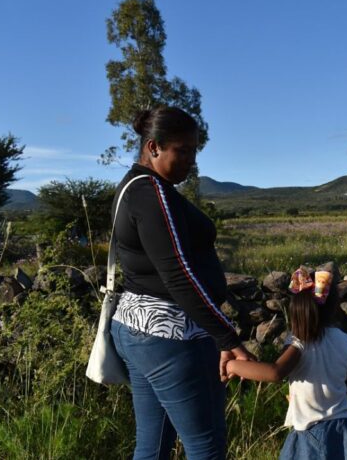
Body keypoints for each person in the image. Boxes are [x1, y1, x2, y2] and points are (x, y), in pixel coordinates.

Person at [109, 106, 252, 460]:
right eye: (183, 151)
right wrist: (227, 336)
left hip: (139, 330)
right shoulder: (151, 193)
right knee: (206, 446)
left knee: (152, 445)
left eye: (194, 151)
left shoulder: (133, 185)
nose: (191, 161)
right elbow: (178, 273)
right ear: (154, 147)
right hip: (171, 335)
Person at [225, 267, 347, 460]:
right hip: (344, 429)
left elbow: (275, 372)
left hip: (312, 432)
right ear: (333, 308)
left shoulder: (300, 343)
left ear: (296, 311)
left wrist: (232, 366)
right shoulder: (345, 340)